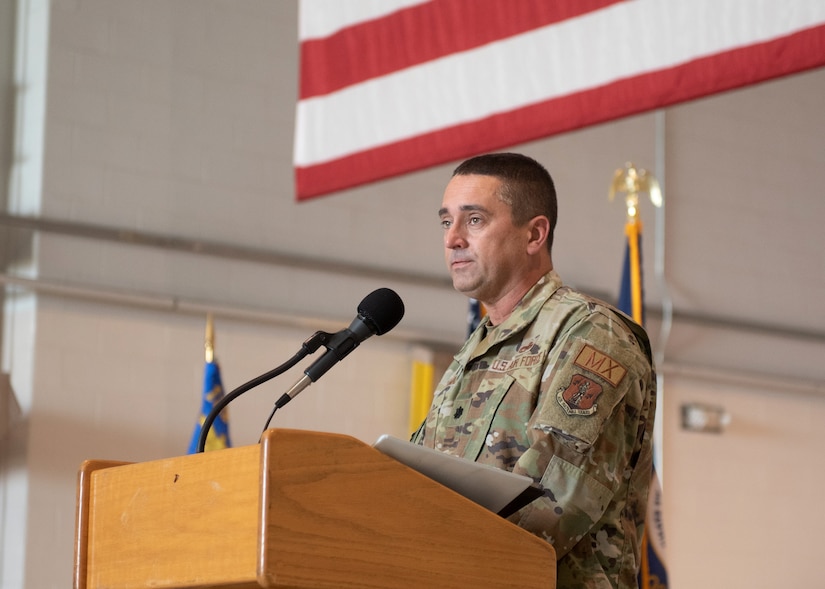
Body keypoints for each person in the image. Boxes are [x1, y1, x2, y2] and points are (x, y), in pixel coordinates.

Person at [411, 152, 657, 589]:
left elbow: (552, 502)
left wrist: (428, 560)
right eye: (446, 222)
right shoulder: (477, 349)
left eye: (474, 220)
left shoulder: (592, 335)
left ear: (534, 234)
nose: (452, 240)